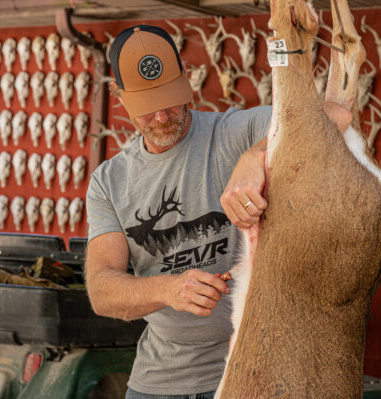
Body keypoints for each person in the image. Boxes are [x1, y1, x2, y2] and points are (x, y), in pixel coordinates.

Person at [84, 24, 352, 399]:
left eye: (170, 99)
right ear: (118, 95)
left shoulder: (232, 132)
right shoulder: (108, 182)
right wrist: (169, 289)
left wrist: (254, 156)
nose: (162, 117)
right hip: (158, 382)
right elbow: (101, 291)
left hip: (251, 372)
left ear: (187, 81)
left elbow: (334, 114)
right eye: (147, 108)